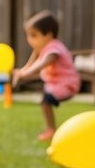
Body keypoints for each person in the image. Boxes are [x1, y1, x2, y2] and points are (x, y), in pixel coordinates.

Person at [12, 10, 79, 141]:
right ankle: (51, 129)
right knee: (45, 100)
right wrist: (23, 71)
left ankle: (51, 130)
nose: (29, 39)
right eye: (28, 35)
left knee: (45, 101)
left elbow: (43, 63)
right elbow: (32, 61)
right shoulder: (42, 47)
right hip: (55, 83)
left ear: (48, 35)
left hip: (66, 84)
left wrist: (27, 73)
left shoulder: (54, 48)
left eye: (33, 35)